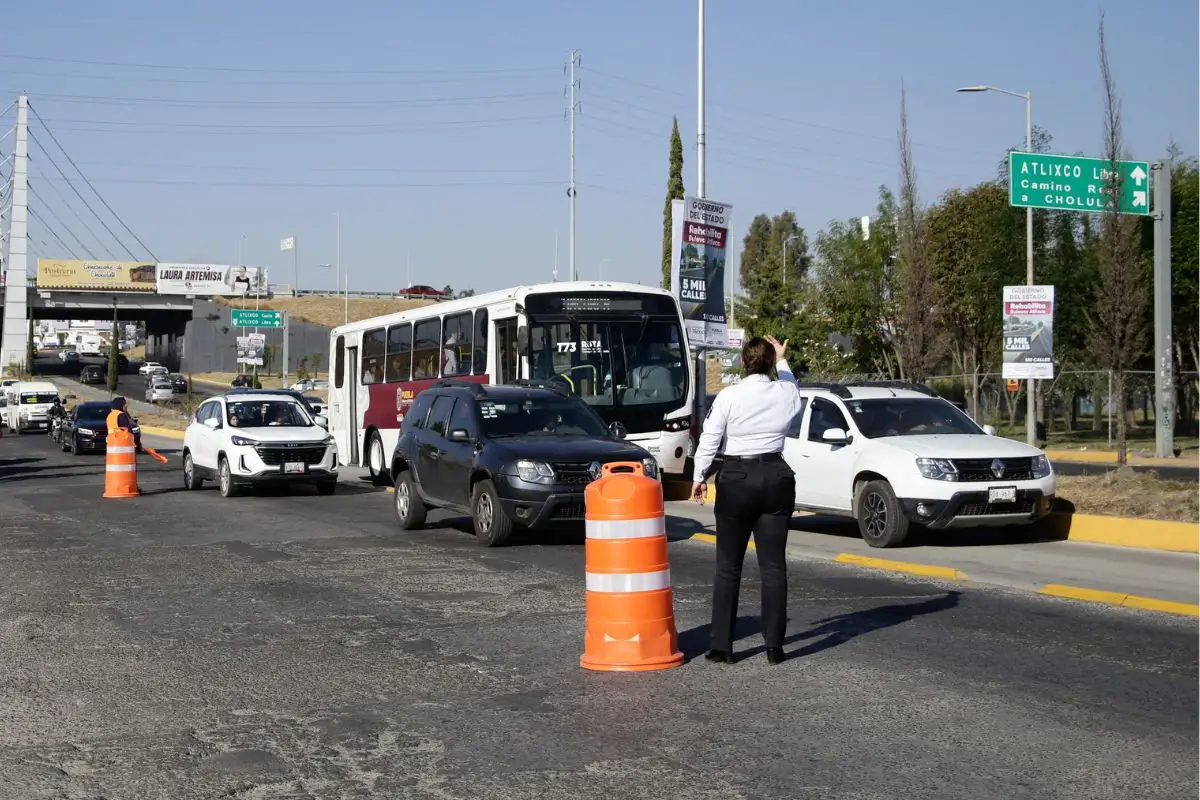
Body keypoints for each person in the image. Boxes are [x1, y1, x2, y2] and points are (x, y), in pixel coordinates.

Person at [691, 335, 803, 666]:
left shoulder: (729, 395)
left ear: (742, 362)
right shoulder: (786, 392)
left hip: (737, 477)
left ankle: (722, 647)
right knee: (773, 566)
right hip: (775, 475)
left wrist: (699, 476)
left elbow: (710, 438)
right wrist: (783, 360)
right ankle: (774, 648)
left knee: (728, 567)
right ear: (770, 364)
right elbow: (792, 387)